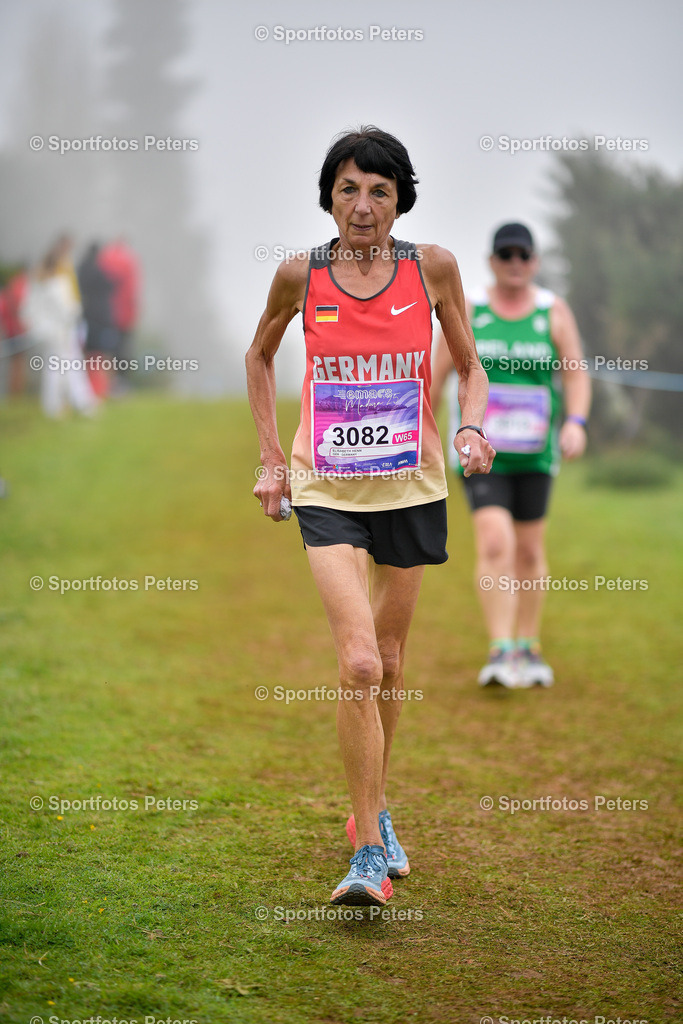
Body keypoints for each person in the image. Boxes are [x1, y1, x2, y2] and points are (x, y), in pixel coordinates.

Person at [246, 126, 495, 907]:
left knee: (388, 663)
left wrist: (470, 425)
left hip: (410, 488)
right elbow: (258, 357)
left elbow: (472, 366)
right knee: (356, 661)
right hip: (325, 489)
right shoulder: (299, 275)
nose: (362, 205)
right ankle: (363, 853)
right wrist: (271, 459)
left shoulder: (434, 270)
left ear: (400, 201)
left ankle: (376, 812)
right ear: (328, 196)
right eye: (349, 188)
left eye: (379, 191)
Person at [431, 223, 591, 689]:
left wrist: (576, 423)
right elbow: (436, 376)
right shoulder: (472, 310)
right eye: (506, 255)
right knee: (495, 541)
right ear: (492, 261)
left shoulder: (552, 312)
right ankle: (500, 651)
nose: (515, 263)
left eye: (524, 255)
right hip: (482, 454)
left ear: (535, 261)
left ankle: (529, 646)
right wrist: (424, 437)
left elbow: (576, 375)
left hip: (537, 456)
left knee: (528, 549)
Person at [23, 244, 97, 419]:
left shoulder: (37, 283)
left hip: (49, 334)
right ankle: (79, 403)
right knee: (69, 368)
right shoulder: (58, 284)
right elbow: (70, 310)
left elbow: (28, 311)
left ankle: (58, 404)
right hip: (62, 333)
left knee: (55, 369)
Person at [77, 243, 119, 399]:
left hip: (86, 318)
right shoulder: (100, 271)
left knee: (88, 356)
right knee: (104, 355)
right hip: (101, 320)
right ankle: (104, 388)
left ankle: (90, 389)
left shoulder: (81, 269)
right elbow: (113, 283)